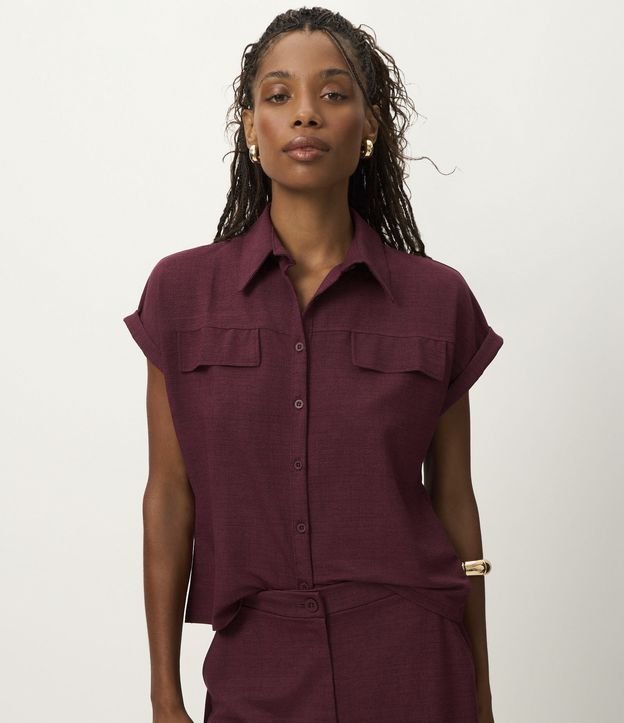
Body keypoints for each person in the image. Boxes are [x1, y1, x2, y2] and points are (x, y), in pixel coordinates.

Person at [123, 7, 504, 723]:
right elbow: (168, 495)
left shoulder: (436, 300)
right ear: (249, 126)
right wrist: (164, 696)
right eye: (279, 95)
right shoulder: (181, 294)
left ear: (370, 125)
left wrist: (480, 691)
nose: (305, 113)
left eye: (333, 93)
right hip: (255, 663)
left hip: (414, 662)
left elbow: (455, 500)